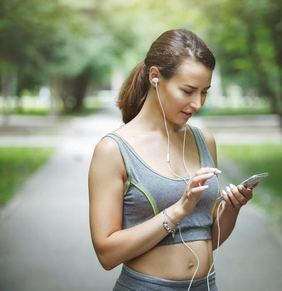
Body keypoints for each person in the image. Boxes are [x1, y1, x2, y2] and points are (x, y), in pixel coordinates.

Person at [88, 29, 259, 291]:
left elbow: (209, 239)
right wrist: (179, 210)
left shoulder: (205, 141)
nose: (198, 103)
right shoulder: (113, 150)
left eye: (204, 92)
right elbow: (106, 255)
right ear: (155, 77)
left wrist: (232, 208)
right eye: (188, 90)